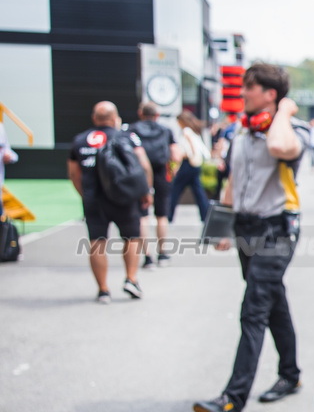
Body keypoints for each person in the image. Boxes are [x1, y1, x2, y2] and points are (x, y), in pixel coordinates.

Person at [192, 63, 310, 412]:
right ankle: (290, 374)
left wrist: (286, 111)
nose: (242, 93)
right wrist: (222, 229)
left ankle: (233, 400)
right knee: (272, 301)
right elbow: (232, 182)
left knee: (254, 308)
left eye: (250, 88)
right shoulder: (241, 133)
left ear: (270, 95)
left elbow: (278, 145)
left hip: (278, 228)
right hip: (245, 226)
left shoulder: (292, 132)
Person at [67, 101, 154, 303]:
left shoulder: (80, 140)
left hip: (93, 200)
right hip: (124, 197)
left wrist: (84, 193)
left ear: (94, 118)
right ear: (115, 118)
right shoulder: (126, 136)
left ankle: (103, 290)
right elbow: (144, 165)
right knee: (131, 238)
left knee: (97, 242)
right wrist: (146, 190)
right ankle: (131, 279)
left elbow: (73, 173)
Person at [126, 101, 179, 268]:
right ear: (157, 115)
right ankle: (162, 253)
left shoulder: (132, 130)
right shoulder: (166, 130)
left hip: (139, 174)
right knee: (161, 215)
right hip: (162, 172)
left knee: (143, 216)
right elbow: (176, 155)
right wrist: (172, 171)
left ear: (140, 114)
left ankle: (147, 257)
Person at [168, 111, 211, 222]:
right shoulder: (193, 131)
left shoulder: (186, 131)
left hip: (188, 163)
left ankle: (169, 215)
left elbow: (189, 148)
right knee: (198, 192)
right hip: (195, 165)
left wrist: (186, 156)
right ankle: (206, 215)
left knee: (175, 190)